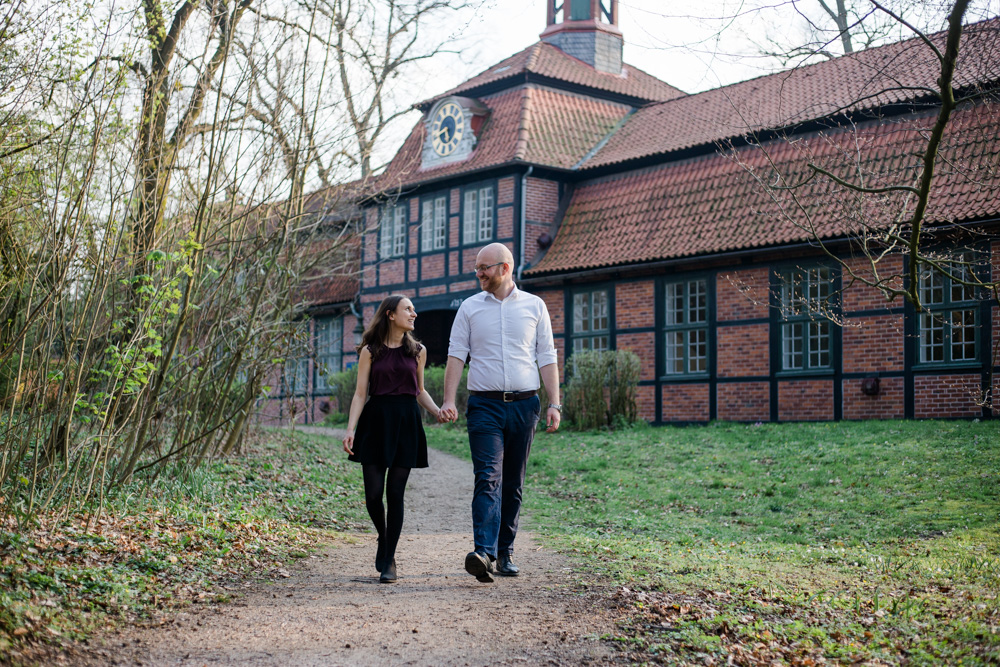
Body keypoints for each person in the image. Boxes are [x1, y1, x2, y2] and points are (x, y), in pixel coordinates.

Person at [439, 243, 561, 583]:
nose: (479, 273)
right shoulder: (469, 308)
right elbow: (456, 355)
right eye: (477, 268)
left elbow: (546, 356)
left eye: (484, 268)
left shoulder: (535, 306)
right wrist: (449, 400)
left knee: (513, 483)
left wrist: (554, 402)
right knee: (488, 476)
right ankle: (483, 552)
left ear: (505, 268)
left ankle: (505, 551)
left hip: (525, 405)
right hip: (484, 405)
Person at [342, 295, 442, 583]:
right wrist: (350, 428)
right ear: (390, 314)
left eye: (413, 309)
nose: (414, 314)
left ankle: (390, 559)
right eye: (407, 309)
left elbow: (419, 390)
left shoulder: (418, 351)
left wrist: (436, 411)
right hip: (376, 421)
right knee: (373, 495)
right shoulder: (370, 351)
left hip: (406, 422)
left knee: (395, 493)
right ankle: (383, 538)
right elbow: (361, 393)